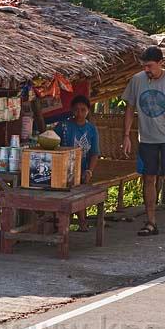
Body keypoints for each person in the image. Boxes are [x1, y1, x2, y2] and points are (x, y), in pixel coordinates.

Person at [121, 46, 165, 239]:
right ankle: (151, 222)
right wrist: (126, 135)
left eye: (150, 66)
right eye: (144, 66)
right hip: (147, 140)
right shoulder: (137, 81)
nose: (147, 70)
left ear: (161, 63)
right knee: (148, 178)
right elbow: (129, 108)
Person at [55, 95, 101, 232]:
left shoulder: (92, 129)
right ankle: (63, 225)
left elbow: (95, 153)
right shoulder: (63, 126)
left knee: (80, 197)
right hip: (63, 169)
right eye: (76, 110)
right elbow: (52, 143)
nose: (79, 113)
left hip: (82, 169)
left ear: (88, 111)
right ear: (71, 110)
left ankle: (82, 222)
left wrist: (89, 171)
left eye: (83, 110)